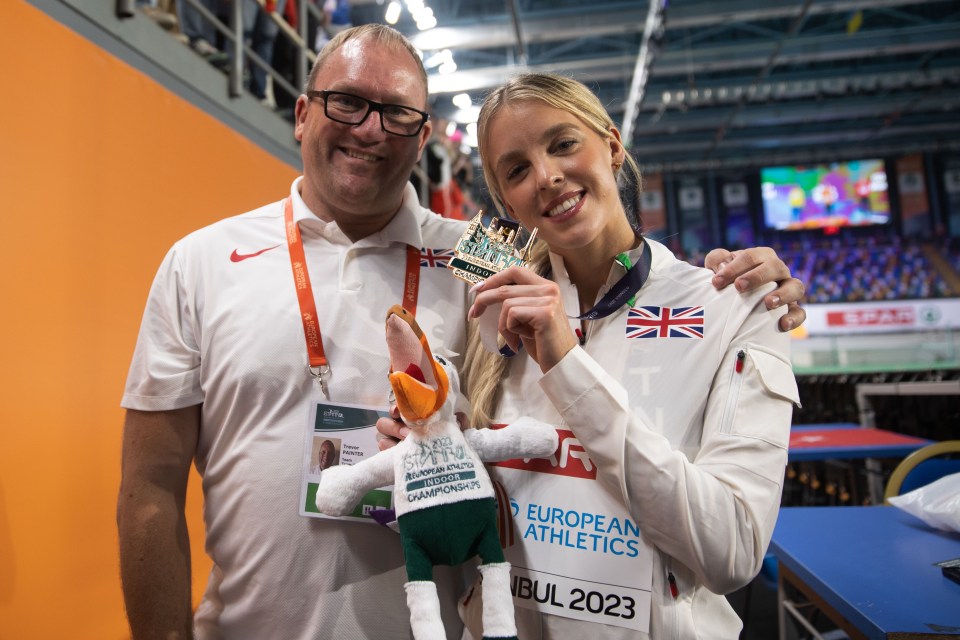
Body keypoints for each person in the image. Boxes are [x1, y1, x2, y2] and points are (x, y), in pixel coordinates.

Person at [117, 24, 804, 640]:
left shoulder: (483, 258)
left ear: (421, 139)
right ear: (303, 113)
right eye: (347, 102)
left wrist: (742, 279)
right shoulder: (203, 261)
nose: (369, 129)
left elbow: (604, 279)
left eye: (397, 114)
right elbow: (149, 488)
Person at [455, 72, 800, 639]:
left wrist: (566, 365)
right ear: (506, 204)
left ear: (613, 146)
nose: (546, 176)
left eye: (563, 144)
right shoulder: (486, 301)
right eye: (516, 170)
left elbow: (733, 551)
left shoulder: (736, 303)